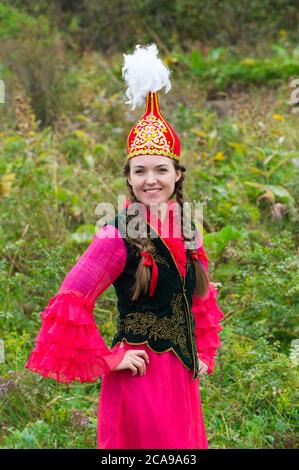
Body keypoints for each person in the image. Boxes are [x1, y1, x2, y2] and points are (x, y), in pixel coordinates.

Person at [25, 43, 225, 449]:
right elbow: (69, 299)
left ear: (177, 174)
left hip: (181, 382)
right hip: (140, 378)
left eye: (160, 169)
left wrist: (202, 352)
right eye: (140, 171)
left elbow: (199, 299)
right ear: (129, 178)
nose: (151, 179)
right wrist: (111, 359)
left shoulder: (187, 228)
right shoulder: (116, 233)